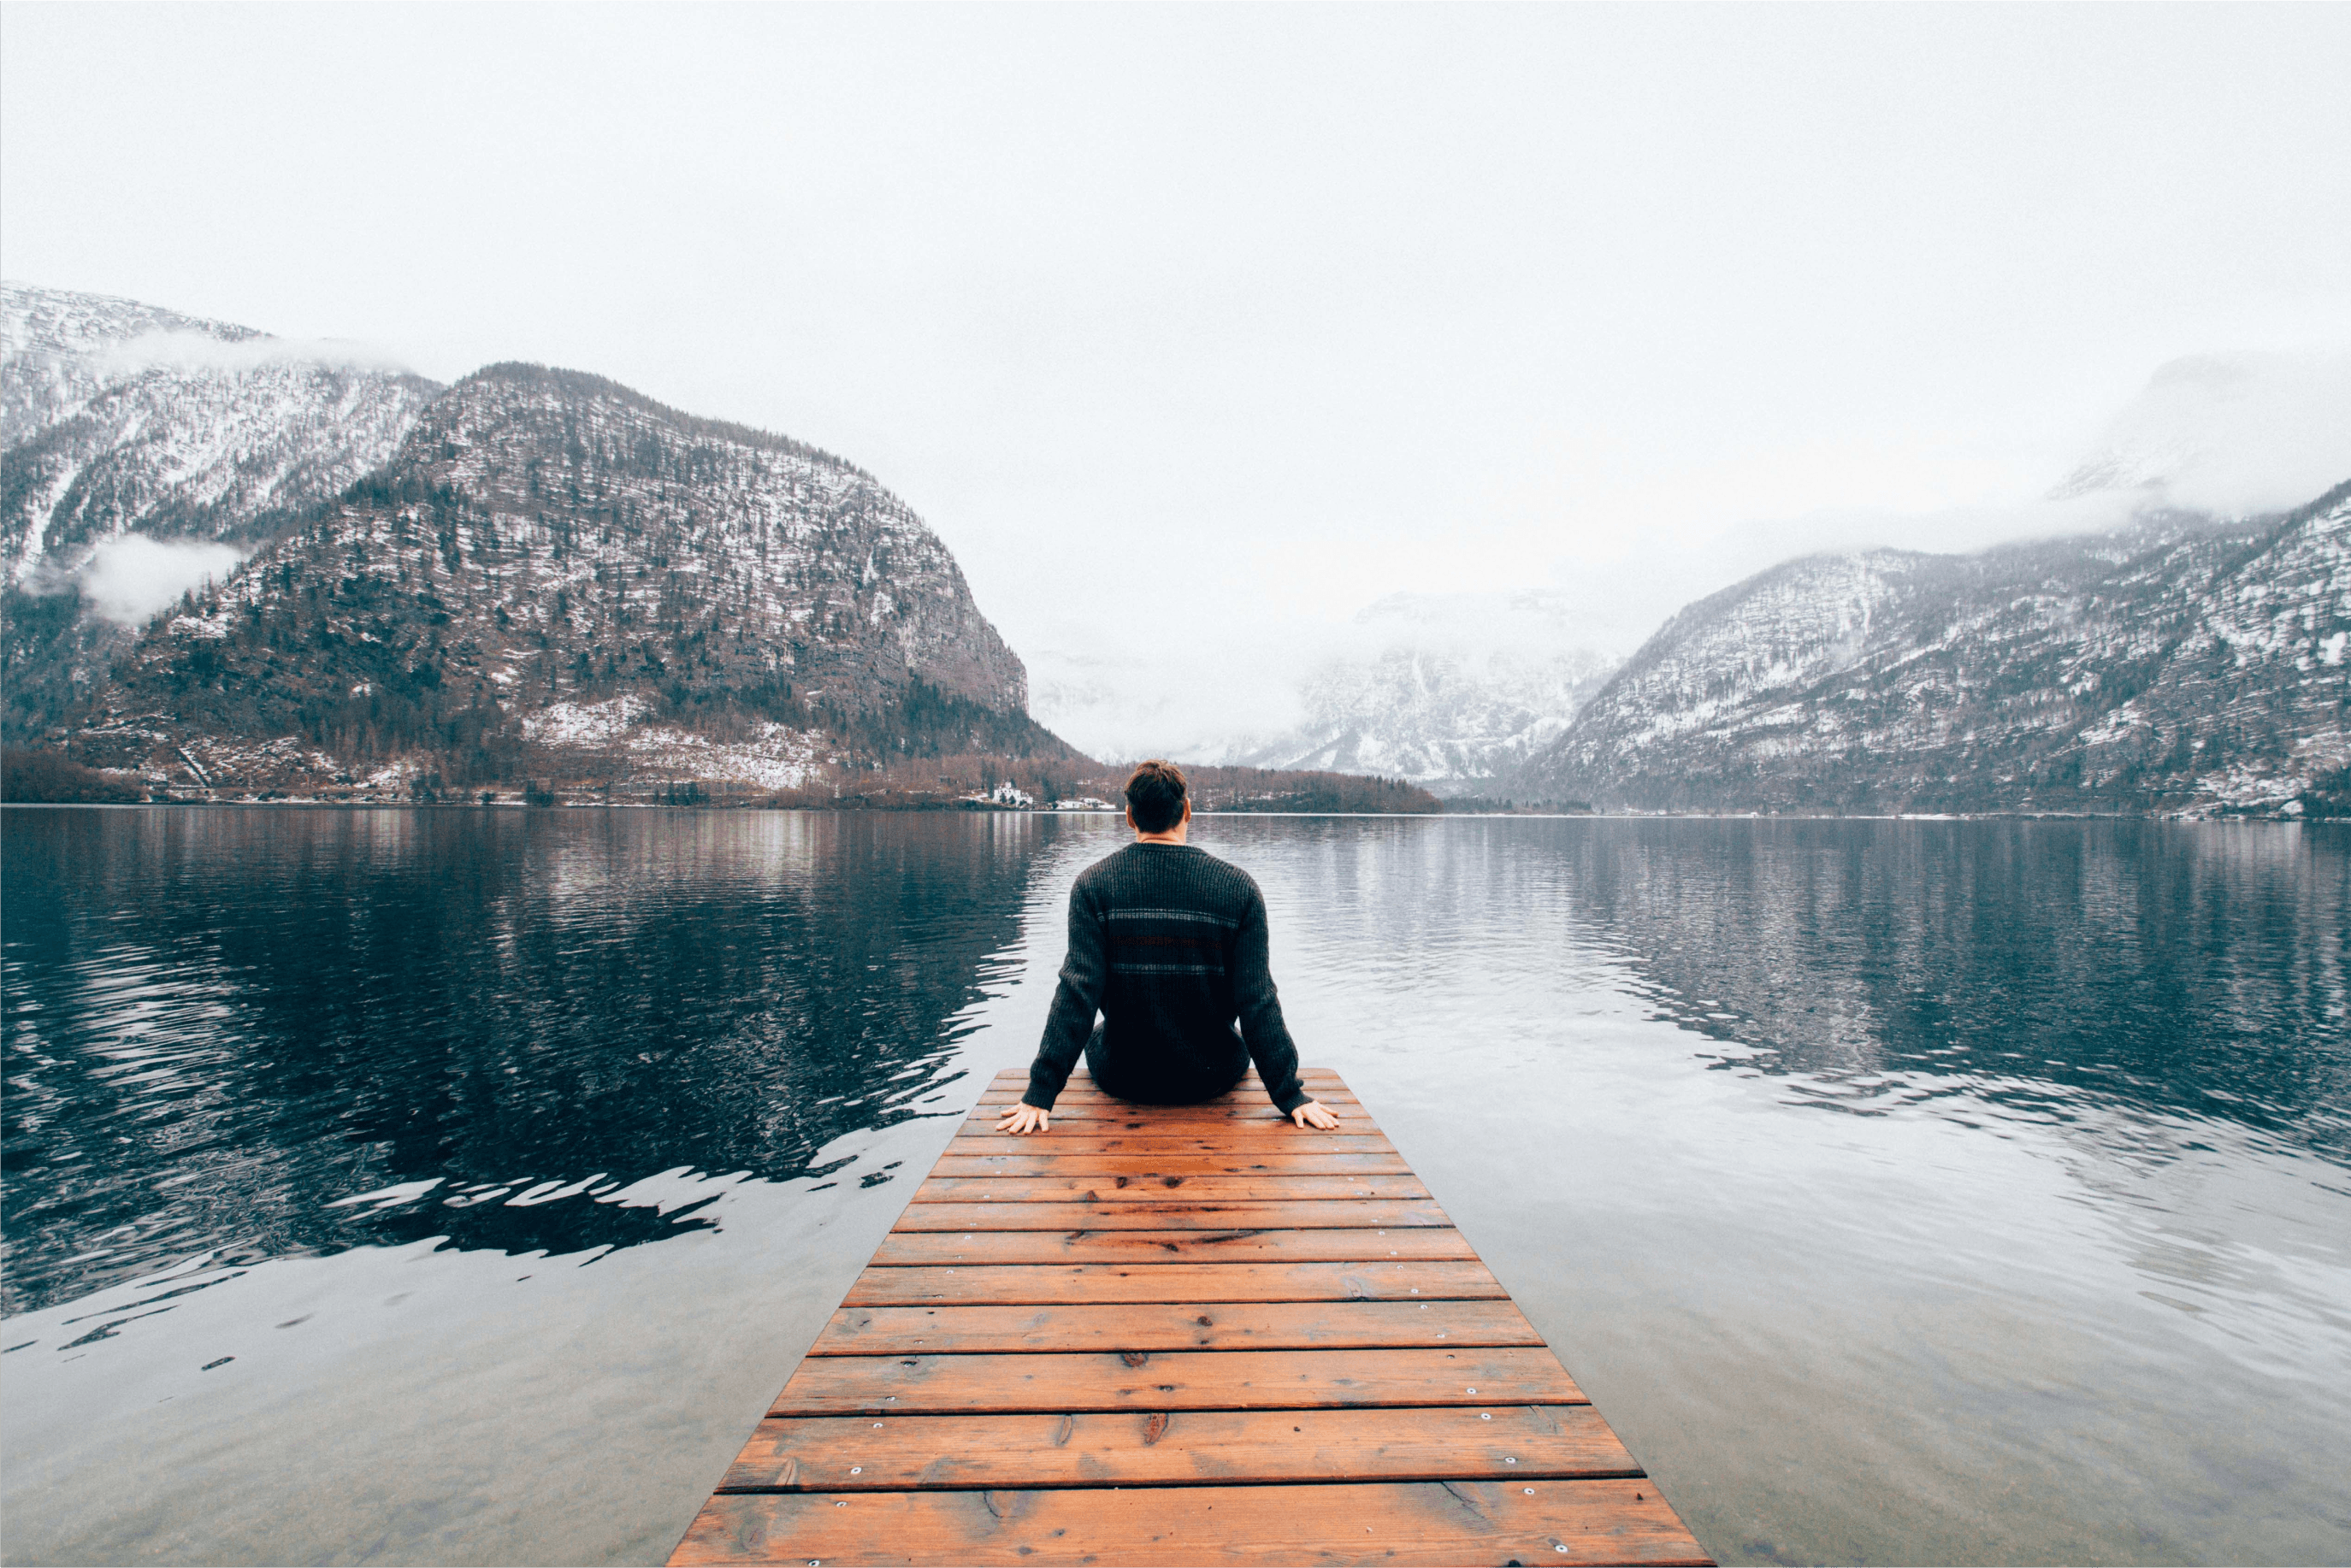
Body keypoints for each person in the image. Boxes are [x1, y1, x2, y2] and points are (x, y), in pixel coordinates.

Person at [995, 759, 1342, 1135]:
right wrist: (1290, 1095)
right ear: (1187, 811)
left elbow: (1078, 994)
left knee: (1100, 1029)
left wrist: (1040, 1094)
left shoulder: (1092, 887)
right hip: (1212, 1076)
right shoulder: (1239, 890)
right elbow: (1256, 1000)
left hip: (1124, 1076)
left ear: (1129, 817)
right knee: (1233, 1036)